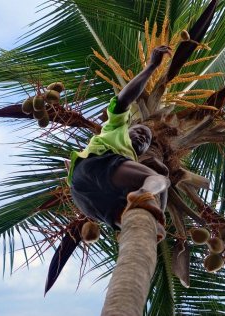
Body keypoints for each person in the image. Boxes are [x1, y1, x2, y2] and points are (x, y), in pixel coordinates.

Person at [68, 46, 172, 240]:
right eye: (139, 131)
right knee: (160, 181)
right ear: (128, 128)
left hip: (84, 197)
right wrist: (151, 66)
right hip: (96, 164)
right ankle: (145, 193)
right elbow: (124, 100)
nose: (143, 136)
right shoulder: (115, 128)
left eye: (147, 139)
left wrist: (156, 215)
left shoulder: (130, 161)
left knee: (125, 217)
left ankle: (140, 228)